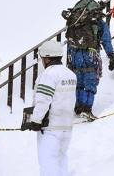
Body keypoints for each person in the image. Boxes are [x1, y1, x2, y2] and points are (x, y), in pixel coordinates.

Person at [27, 40, 77, 176]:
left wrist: (35, 120)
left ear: (47, 58)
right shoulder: (70, 74)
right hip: (66, 127)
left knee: (48, 164)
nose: (42, 61)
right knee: (61, 160)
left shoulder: (48, 75)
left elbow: (43, 100)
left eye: (42, 58)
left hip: (50, 128)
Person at [63, 0, 114, 120]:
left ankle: (79, 106)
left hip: (75, 54)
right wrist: (111, 55)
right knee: (90, 81)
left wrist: (69, 60)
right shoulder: (98, 23)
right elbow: (106, 39)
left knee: (79, 82)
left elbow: (69, 41)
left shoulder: (75, 22)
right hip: (90, 54)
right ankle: (87, 109)